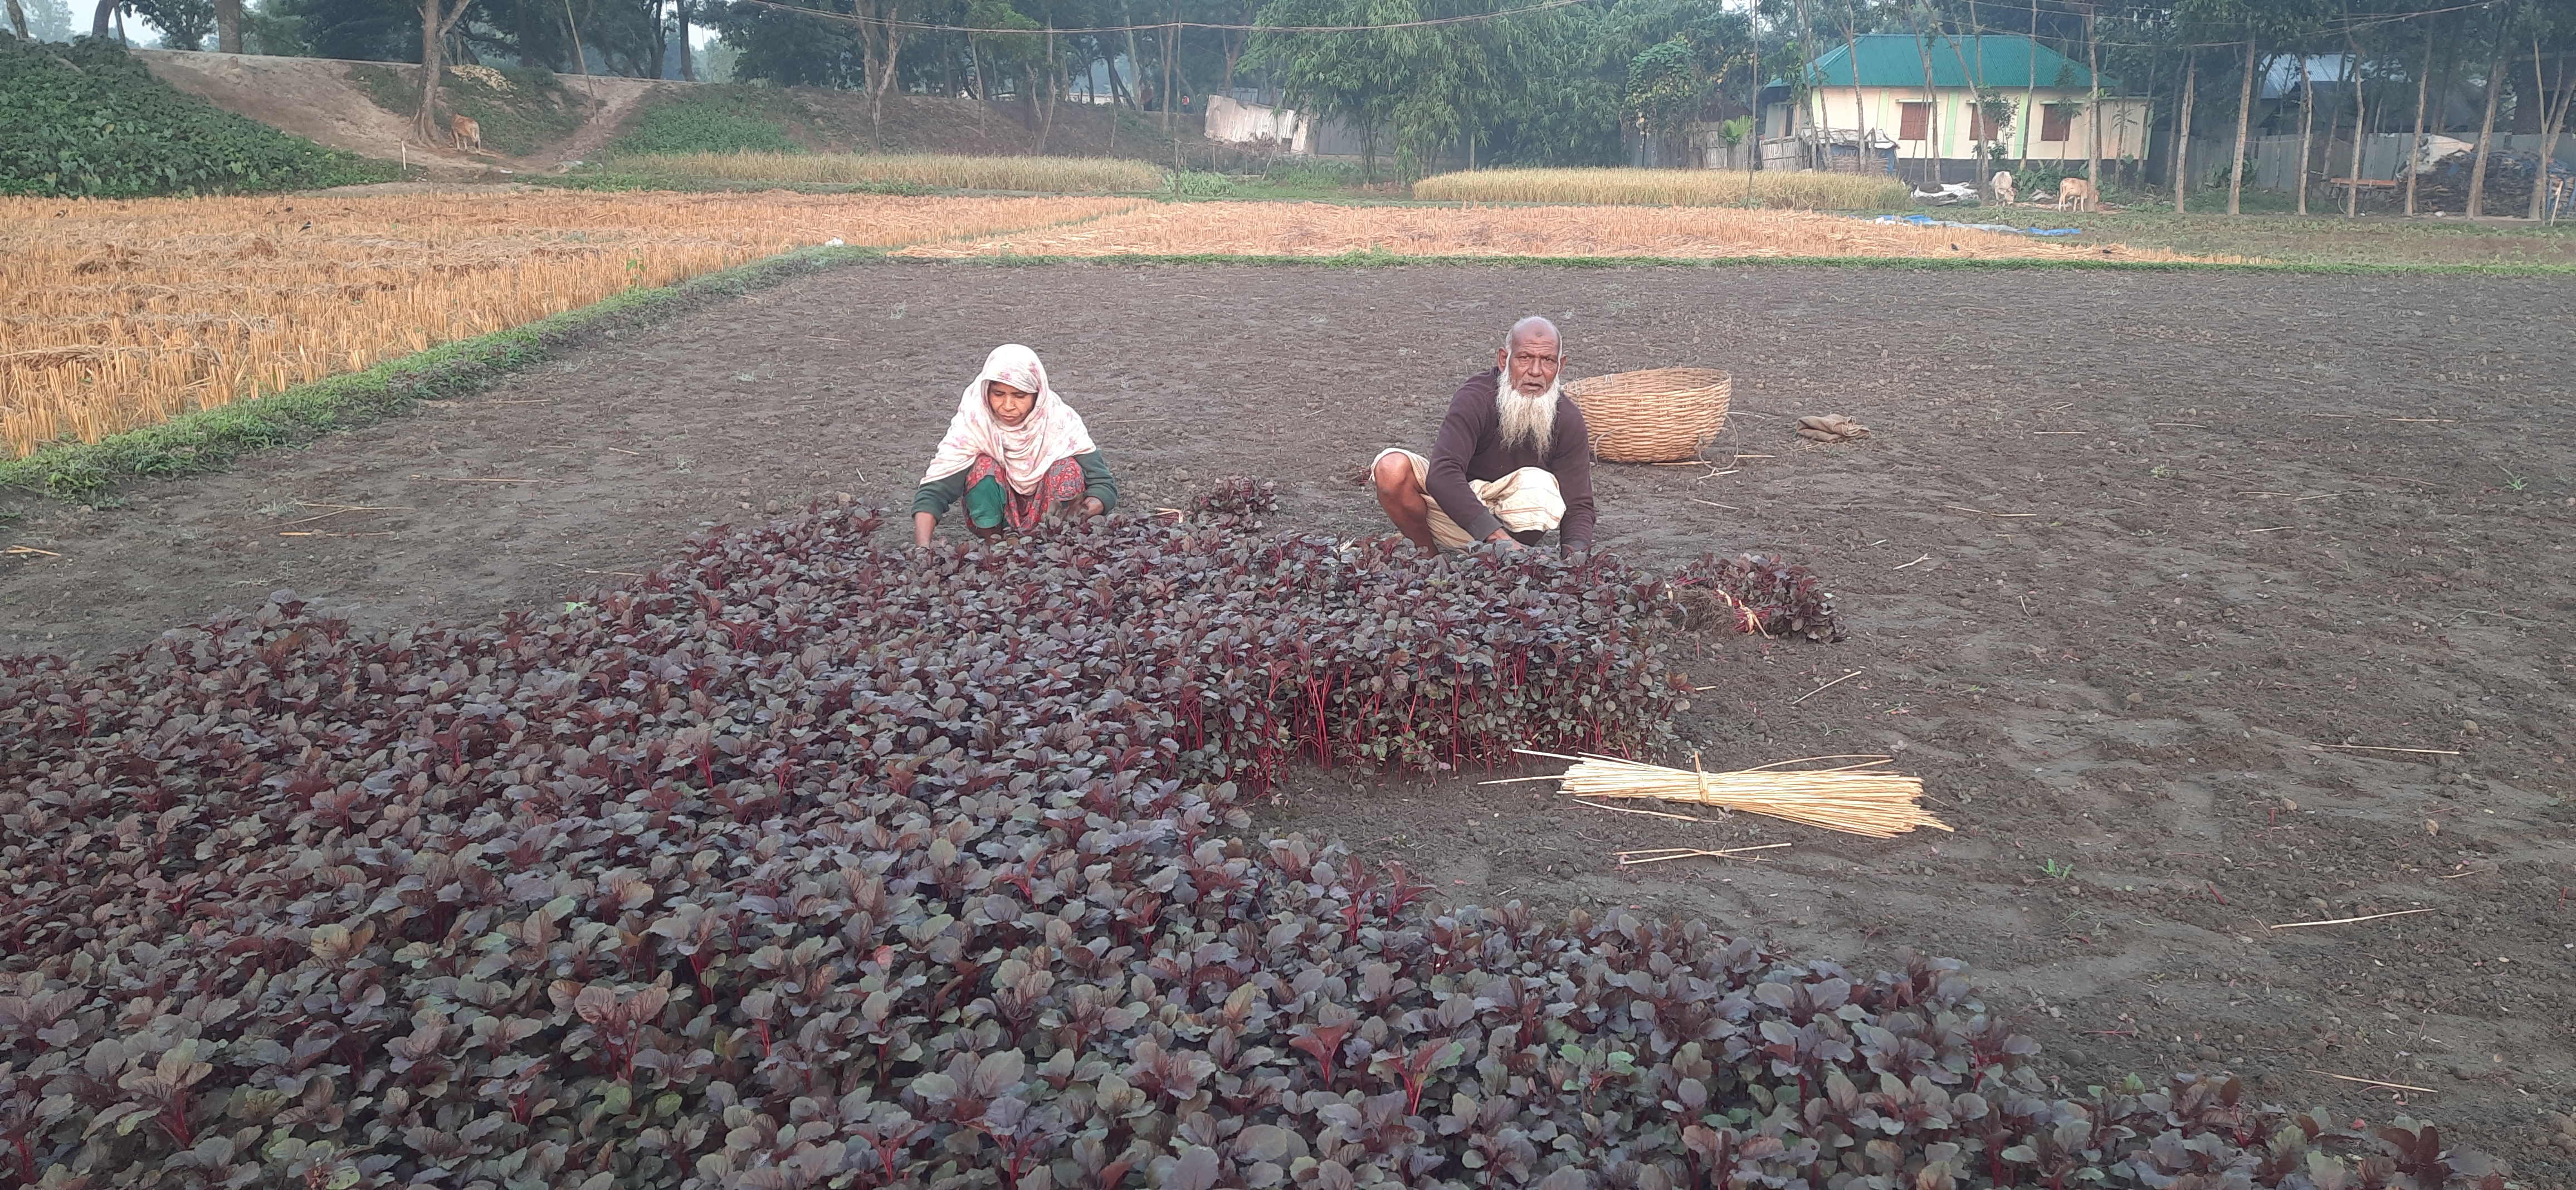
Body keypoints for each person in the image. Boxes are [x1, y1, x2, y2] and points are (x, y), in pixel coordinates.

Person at [1371, 316, 1596, 555]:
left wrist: (1575, 561)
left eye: (1547, 360)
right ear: (1503, 360)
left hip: (1514, 517)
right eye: (1525, 358)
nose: (1535, 371)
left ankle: (1505, 558)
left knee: (1540, 486)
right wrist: (1494, 536)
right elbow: (1444, 472)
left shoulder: (1568, 418)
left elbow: (1579, 504)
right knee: (1391, 468)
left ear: (1560, 366)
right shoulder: (1476, 398)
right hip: (1458, 509)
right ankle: (1427, 553)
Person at [914, 344, 1118, 545]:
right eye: (999, 394)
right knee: (983, 467)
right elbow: (936, 490)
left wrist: (1083, 511)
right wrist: (922, 552)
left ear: (1038, 395)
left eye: (1020, 396)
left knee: (1066, 470)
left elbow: (1103, 485)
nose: (1008, 406)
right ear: (986, 392)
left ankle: (1054, 542)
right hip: (999, 525)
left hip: (1052, 524)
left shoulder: (1060, 421)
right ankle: (996, 543)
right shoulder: (975, 421)